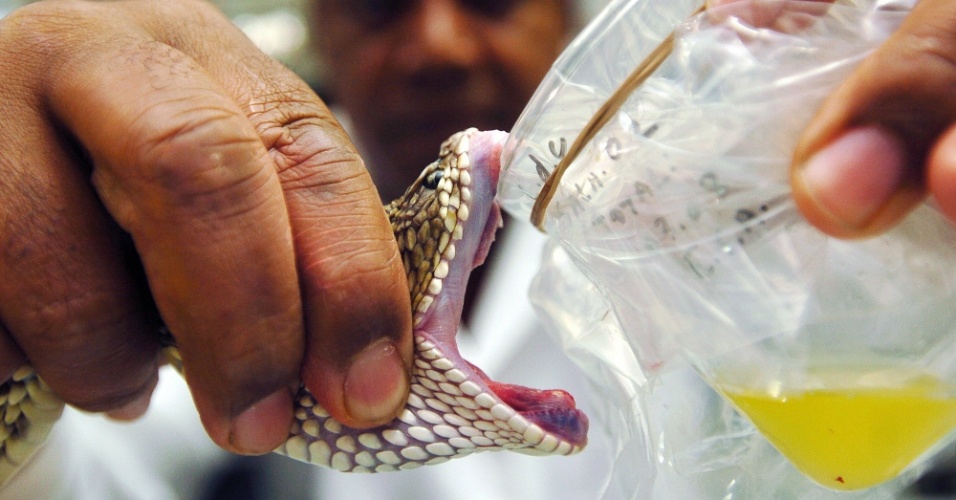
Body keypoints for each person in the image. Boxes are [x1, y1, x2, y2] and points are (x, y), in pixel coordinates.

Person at [0, 0, 954, 497]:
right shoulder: (185, 250)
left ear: (567, 22)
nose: (441, 45)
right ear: (323, 31)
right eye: (381, 4)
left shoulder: (722, 224)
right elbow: (78, 478)